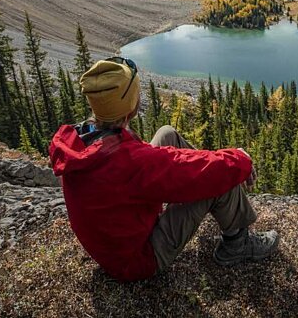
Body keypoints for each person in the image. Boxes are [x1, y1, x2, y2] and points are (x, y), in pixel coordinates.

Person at [48, 57, 279, 282]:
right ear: (131, 105)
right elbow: (199, 171)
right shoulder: (129, 162)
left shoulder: (81, 137)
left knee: (167, 134)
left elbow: (139, 168)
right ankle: (237, 244)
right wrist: (241, 159)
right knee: (218, 174)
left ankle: (223, 209)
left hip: (115, 242)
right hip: (137, 258)